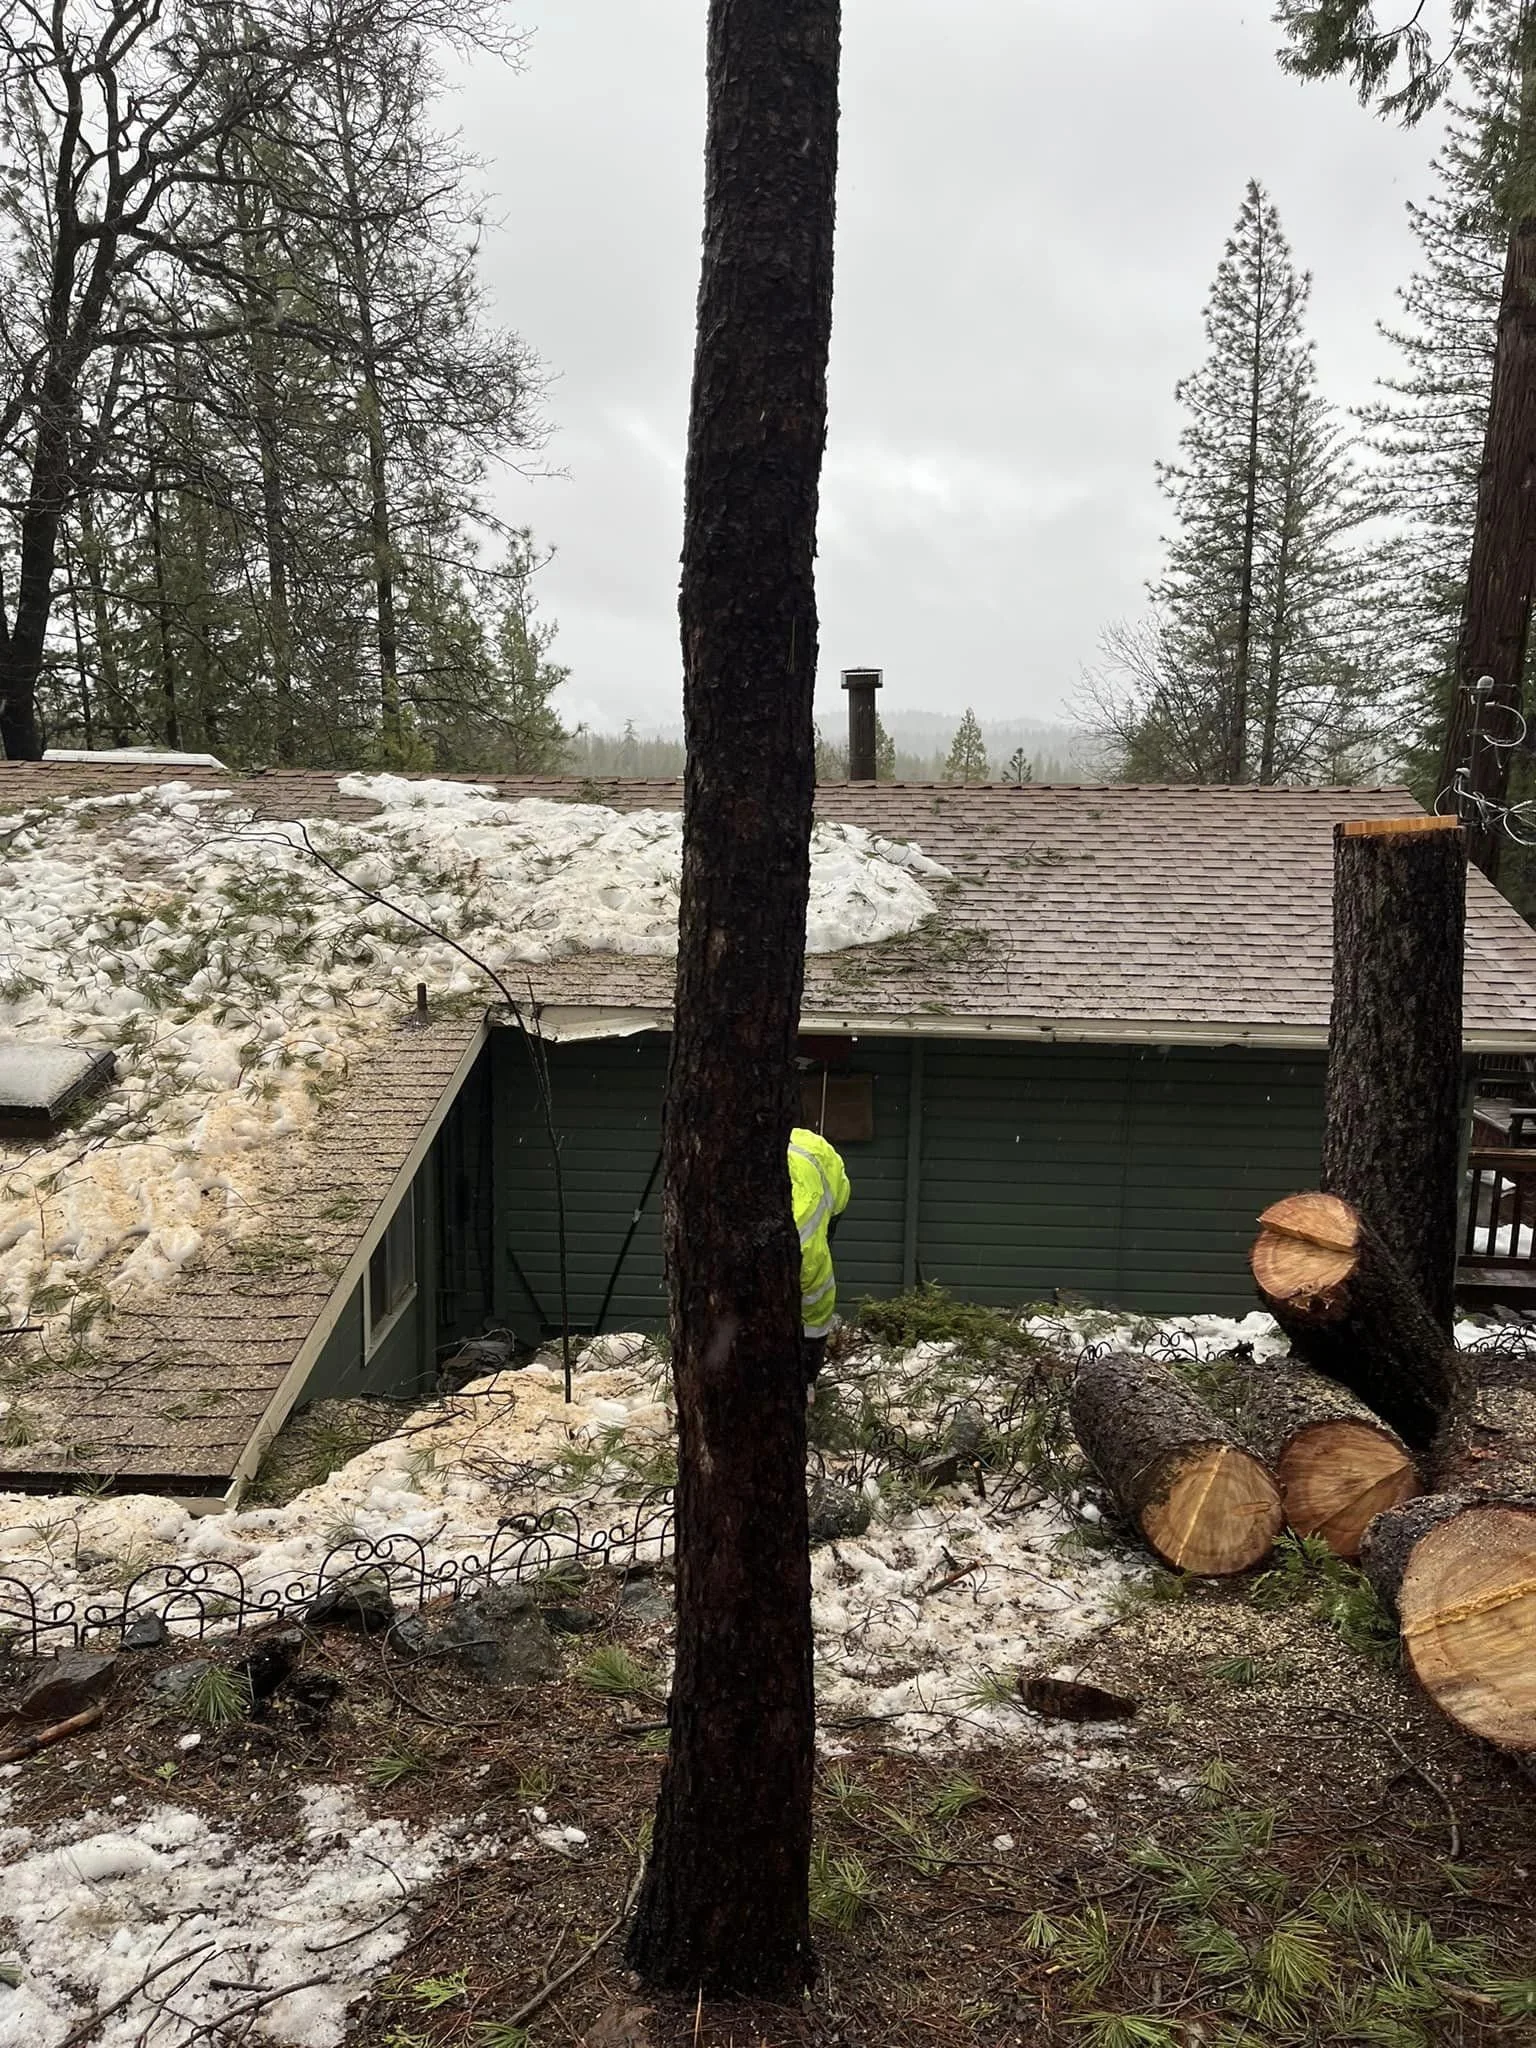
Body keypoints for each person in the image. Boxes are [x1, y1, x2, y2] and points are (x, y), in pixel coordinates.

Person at [789, 1124, 851, 1386]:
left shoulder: (806, 1252)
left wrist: (808, 1372)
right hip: (800, 1151)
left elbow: (817, 1310)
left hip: (825, 1167)